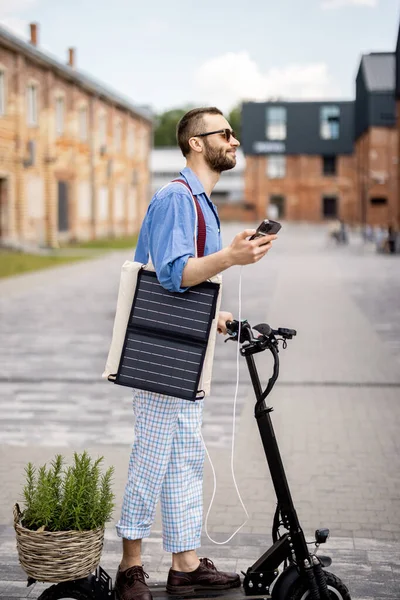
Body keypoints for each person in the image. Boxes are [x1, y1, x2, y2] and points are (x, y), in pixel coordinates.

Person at [114, 107, 277, 600]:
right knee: (153, 454)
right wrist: (230, 256)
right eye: (223, 133)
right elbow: (170, 274)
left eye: (233, 132)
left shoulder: (202, 202)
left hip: (184, 349)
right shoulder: (175, 198)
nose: (234, 138)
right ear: (195, 144)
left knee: (183, 456)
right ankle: (129, 566)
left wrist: (218, 316)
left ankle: (184, 563)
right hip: (161, 352)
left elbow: (191, 279)